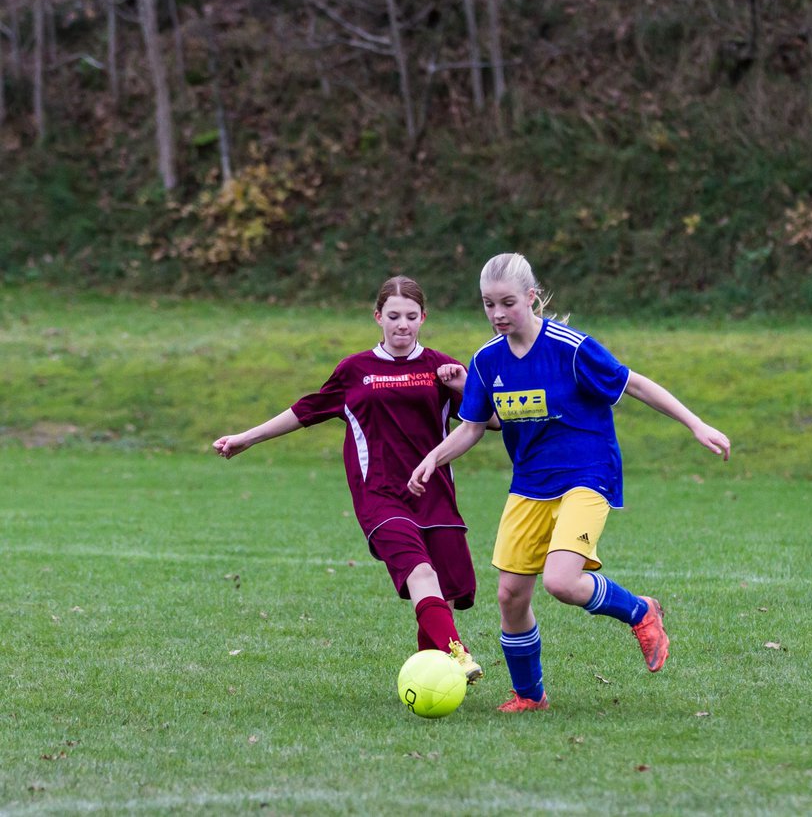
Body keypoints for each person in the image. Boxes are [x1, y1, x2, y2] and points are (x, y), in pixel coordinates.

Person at [407, 253, 731, 713]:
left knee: (561, 580)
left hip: (587, 474)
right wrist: (433, 459)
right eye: (487, 304)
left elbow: (635, 385)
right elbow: (474, 425)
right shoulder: (486, 361)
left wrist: (696, 424)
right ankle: (529, 695)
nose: (497, 314)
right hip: (529, 484)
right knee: (510, 594)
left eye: (508, 303)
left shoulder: (571, 347)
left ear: (532, 297)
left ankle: (640, 611)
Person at [213, 276, 484, 684]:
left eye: (411, 316)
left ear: (423, 318)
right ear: (378, 317)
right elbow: (306, 410)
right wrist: (246, 438)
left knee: (441, 594)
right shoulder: (355, 370)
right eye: (393, 316)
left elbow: (493, 421)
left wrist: (465, 385)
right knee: (421, 575)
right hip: (380, 498)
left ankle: (430, 681)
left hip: (435, 495)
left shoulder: (441, 368)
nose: (402, 325)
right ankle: (457, 654)